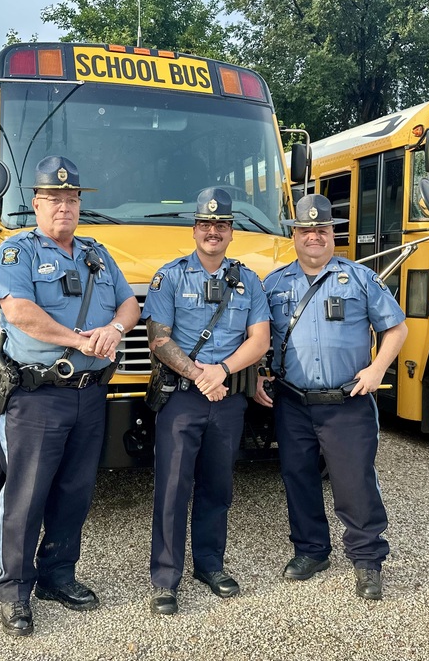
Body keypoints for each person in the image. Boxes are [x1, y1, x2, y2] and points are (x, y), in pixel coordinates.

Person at [0, 155, 140, 636]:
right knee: (27, 496)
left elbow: (130, 303)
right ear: (36, 204)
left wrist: (114, 329)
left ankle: (57, 575)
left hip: (89, 395)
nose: (64, 207)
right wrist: (78, 339)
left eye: (71, 200)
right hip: (37, 395)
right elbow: (19, 311)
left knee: (75, 492)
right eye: (54, 199)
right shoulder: (17, 252)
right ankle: (14, 591)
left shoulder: (96, 253)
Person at [254, 194, 408, 601]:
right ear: (295, 235)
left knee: (354, 481)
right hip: (292, 401)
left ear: (332, 233)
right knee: (298, 478)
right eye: (306, 230)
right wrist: (255, 375)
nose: (314, 237)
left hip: (347, 402)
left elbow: (396, 329)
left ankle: (367, 560)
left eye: (322, 229)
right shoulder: (274, 284)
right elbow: (257, 337)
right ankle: (311, 551)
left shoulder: (359, 278)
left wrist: (377, 369)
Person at [142, 187, 271, 615]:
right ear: (195, 229)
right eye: (205, 224)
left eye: (221, 225)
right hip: (182, 400)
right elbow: (158, 340)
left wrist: (224, 372)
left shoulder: (248, 279)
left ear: (232, 231)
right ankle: (165, 578)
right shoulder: (171, 276)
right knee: (173, 489)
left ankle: (210, 565)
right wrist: (202, 376)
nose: (213, 231)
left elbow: (260, 340)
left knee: (218, 487)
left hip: (228, 400)